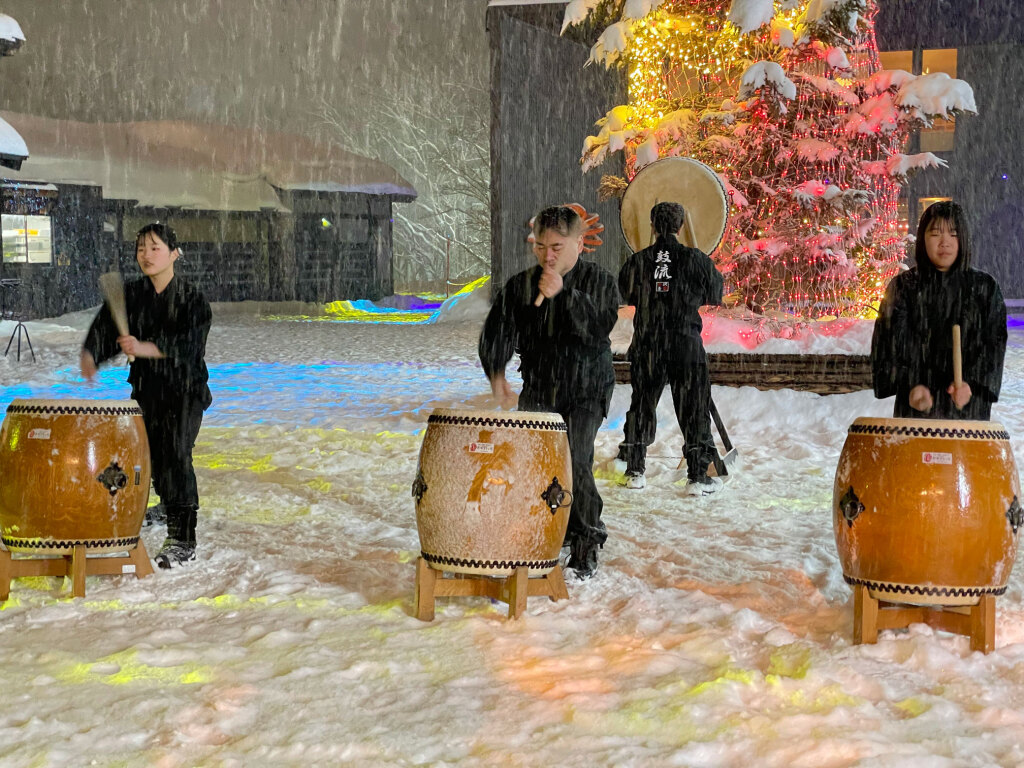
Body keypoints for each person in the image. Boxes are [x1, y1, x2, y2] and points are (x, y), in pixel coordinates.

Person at [479, 205, 620, 579]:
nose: (549, 255)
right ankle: (547, 531)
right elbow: (499, 330)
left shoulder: (600, 281)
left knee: (573, 459)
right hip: (541, 384)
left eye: (558, 246)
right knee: (537, 464)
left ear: (579, 243)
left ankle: (587, 536)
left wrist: (565, 295)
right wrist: (496, 372)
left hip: (587, 386)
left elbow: (599, 327)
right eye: (541, 246)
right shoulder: (522, 285)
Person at [81, 223, 213, 568]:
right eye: (141, 248)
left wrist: (146, 347)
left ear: (174, 254)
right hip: (147, 390)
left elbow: (188, 347)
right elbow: (105, 328)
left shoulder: (193, 299)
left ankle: (183, 537)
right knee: (143, 454)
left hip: (185, 392)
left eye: (155, 248)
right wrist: (92, 355)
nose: (146, 255)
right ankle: (161, 505)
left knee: (174, 455)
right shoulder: (132, 294)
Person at [617, 201, 724, 495]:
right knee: (693, 406)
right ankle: (697, 476)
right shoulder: (695, 258)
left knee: (641, 405)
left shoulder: (638, 261)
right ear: (680, 226)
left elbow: (625, 294)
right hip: (685, 344)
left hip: (648, 343)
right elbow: (716, 293)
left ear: (653, 226)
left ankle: (634, 470)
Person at [872, 200, 1006, 420]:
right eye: (935, 234)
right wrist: (911, 384)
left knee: (964, 455)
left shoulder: (984, 288)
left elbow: (994, 344)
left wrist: (972, 384)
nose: (945, 242)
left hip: (967, 408)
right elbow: (886, 345)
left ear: (963, 239)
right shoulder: (904, 287)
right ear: (923, 239)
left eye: (953, 234)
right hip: (916, 409)